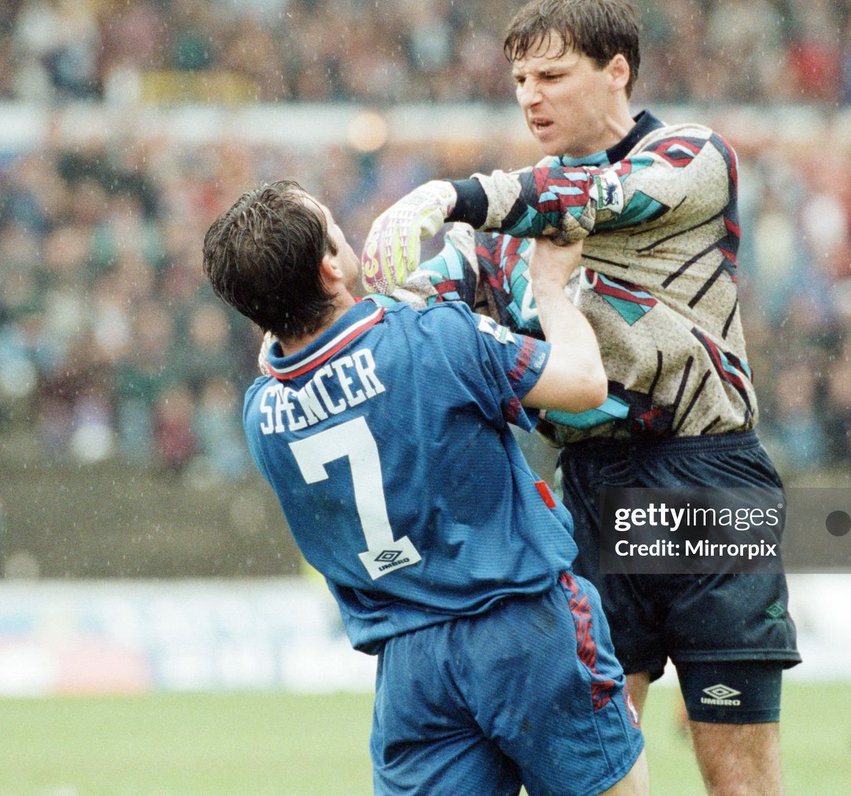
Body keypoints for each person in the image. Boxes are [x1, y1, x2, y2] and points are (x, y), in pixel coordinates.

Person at [361, 2, 799, 792]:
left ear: (617, 71)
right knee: (595, 772)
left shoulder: (690, 157)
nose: (531, 95)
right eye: (521, 78)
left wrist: (453, 194)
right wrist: (311, 328)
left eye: (553, 75)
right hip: (589, 490)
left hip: (705, 477)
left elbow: (592, 198)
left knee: (739, 778)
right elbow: (419, 305)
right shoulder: (501, 223)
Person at [202, 180, 647, 795]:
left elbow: (293, 349)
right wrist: (550, 287)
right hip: (525, 627)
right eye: (333, 226)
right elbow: (584, 382)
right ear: (332, 266)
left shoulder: (261, 416)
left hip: (411, 667)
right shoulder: (436, 336)